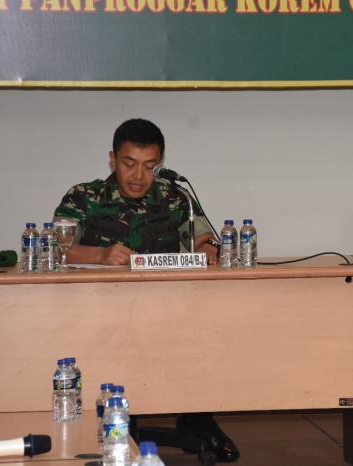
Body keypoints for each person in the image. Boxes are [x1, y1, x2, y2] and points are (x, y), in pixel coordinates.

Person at [53, 118, 239, 463]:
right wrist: (100, 255)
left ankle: (198, 415)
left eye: (150, 166)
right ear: (113, 159)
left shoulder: (175, 197)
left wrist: (209, 250)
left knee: (213, 327)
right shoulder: (85, 196)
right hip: (99, 314)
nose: (139, 175)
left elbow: (204, 238)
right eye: (129, 163)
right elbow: (56, 250)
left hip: (168, 311)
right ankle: (120, 419)